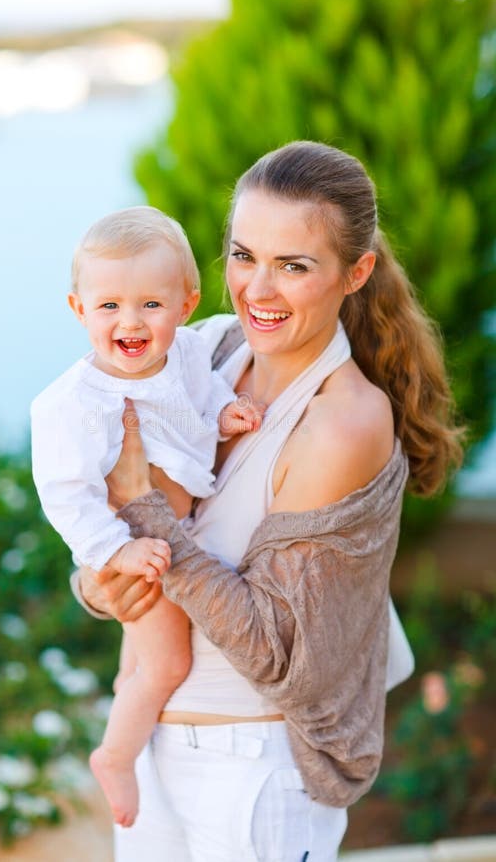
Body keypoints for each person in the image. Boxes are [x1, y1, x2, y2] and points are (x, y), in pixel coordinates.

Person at [74, 141, 465, 861]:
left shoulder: (342, 422)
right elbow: (106, 508)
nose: (257, 289)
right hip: (151, 749)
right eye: (243, 254)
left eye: (294, 265)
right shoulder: (208, 351)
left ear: (357, 272)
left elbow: (282, 654)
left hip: (253, 772)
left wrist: (149, 519)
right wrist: (103, 583)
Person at [31, 206, 263, 827]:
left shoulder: (187, 353)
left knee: (139, 660)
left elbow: (197, 400)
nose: (129, 321)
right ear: (79, 309)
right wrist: (114, 551)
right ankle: (115, 755)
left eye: (150, 306)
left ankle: (121, 699)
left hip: (165, 533)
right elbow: (67, 495)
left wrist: (221, 417)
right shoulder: (72, 405)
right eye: (109, 307)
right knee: (168, 662)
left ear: (186, 304)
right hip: (134, 545)